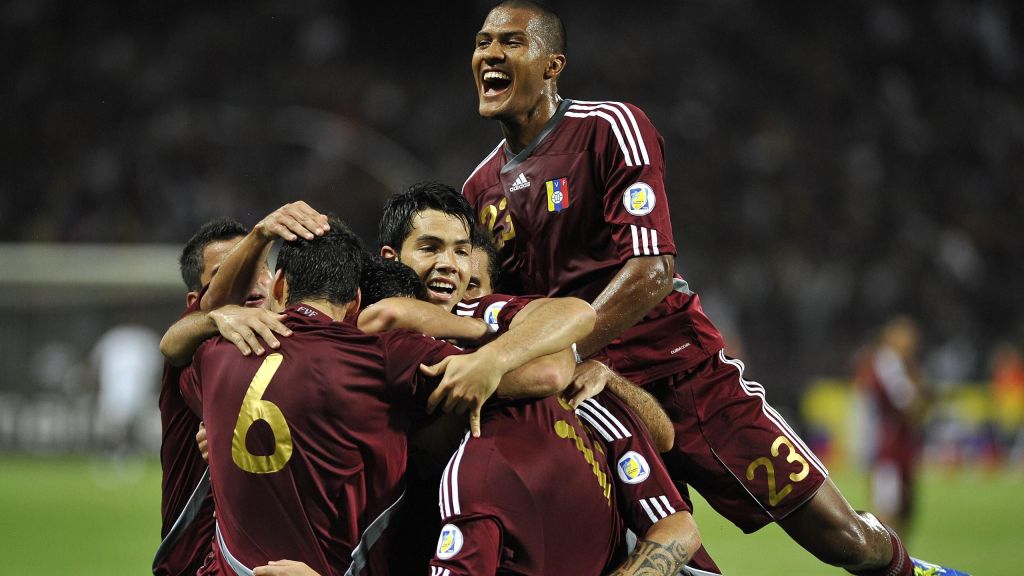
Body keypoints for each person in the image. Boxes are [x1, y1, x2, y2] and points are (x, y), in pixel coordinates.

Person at [461, 2, 970, 575]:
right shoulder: (478, 192)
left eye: (510, 41)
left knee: (845, 540)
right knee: (653, 561)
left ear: (552, 65)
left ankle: (918, 571)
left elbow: (652, 271)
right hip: (591, 402)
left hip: (684, 376)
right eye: (482, 43)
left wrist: (568, 349)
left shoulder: (609, 129)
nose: (490, 54)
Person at [180, 216, 576, 576]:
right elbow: (549, 370)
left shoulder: (214, 354)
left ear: (279, 286)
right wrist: (486, 346)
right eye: (430, 247)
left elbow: (173, 346)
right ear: (356, 301)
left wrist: (214, 319)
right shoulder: (383, 355)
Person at [855, 317, 926, 535]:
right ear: (891, 337)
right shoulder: (888, 363)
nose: (911, 342)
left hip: (901, 448)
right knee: (886, 513)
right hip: (887, 450)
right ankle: (887, 555)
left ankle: (899, 554)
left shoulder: (902, 364)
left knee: (904, 509)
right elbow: (909, 405)